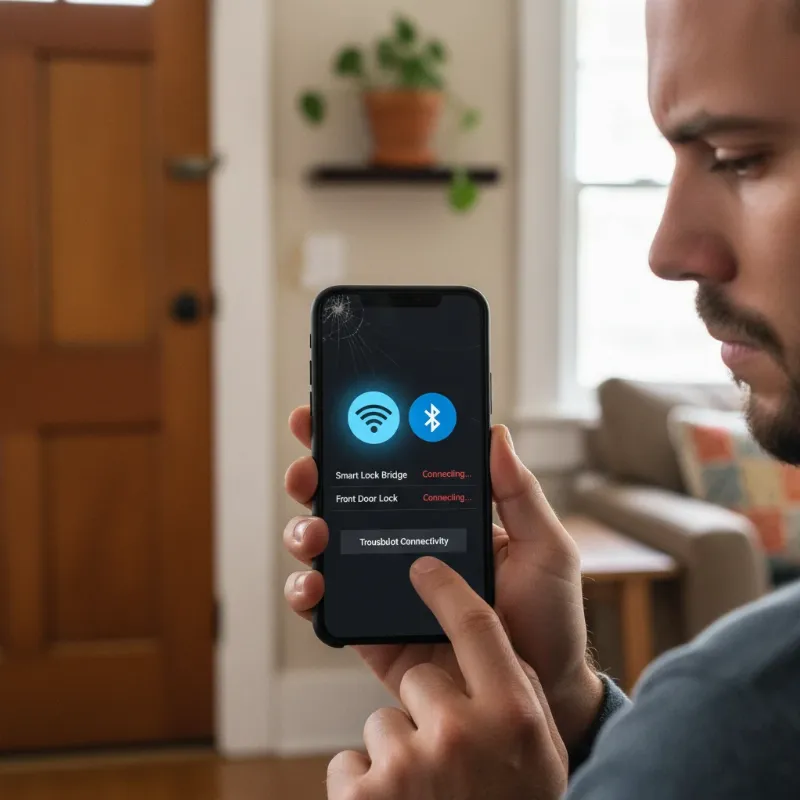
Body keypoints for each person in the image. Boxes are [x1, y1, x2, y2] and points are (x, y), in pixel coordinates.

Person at [283, 0, 800, 796]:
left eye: (738, 155)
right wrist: (567, 704)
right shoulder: (701, 738)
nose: (665, 251)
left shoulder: (729, 726)